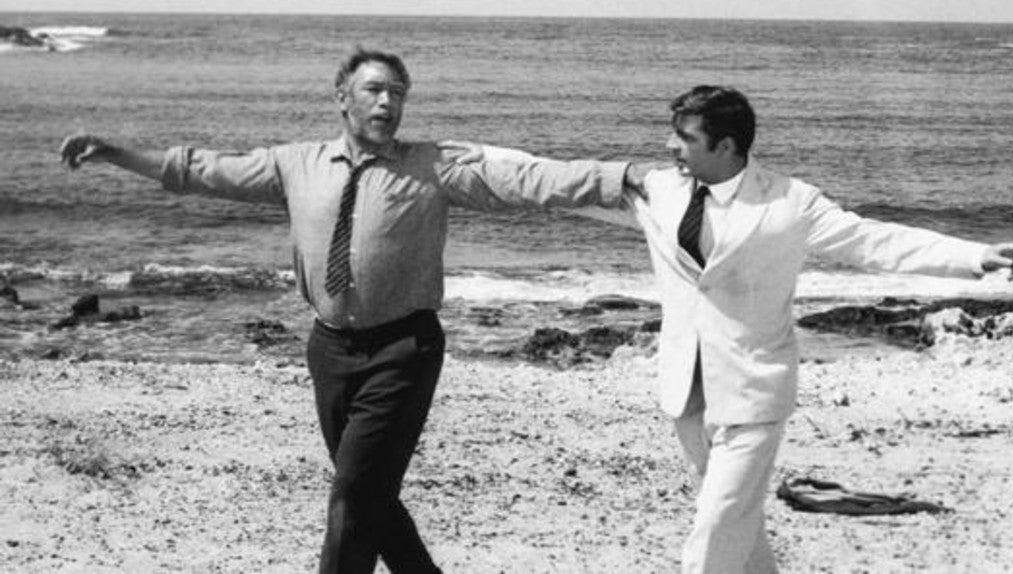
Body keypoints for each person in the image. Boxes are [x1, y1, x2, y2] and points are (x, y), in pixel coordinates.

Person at [58, 47, 635, 574]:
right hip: (330, 349)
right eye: (375, 90)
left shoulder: (433, 166)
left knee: (353, 499)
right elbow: (204, 170)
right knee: (370, 496)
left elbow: (529, 180)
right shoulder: (296, 164)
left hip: (403, 350)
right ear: (342, 97)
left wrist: (624, 178)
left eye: (398, 93)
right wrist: (114, 154)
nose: (388, 103)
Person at [467, 85, 1013, 573]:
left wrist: (974, 255)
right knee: (738, 521)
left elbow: (873, 240)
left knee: (715, 527)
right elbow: (565, 183)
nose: (669, 146)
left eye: (684, 137)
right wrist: (483, 157)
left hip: (754, 389)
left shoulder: (790, 202)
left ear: (726, 146)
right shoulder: (661, 189)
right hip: (686, 388)